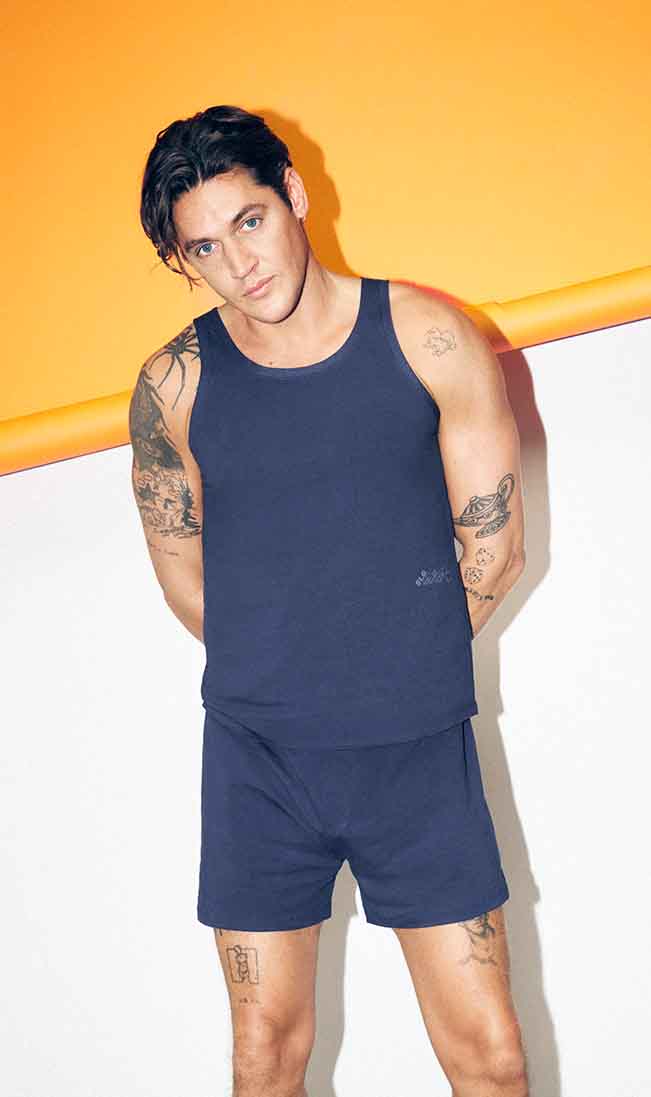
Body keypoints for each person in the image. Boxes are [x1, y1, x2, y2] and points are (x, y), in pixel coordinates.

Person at [130, 104, 529, 1096]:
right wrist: (297, 672)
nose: (241, 264)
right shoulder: (174, 386)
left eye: (251, 221)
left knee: (489, 1056)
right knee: (264, 1054)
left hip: (414, 754)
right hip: (262, 763)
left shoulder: (429, 337)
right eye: (205, 248)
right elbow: (182, 574)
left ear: (295, 195)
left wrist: (392, 658)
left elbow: (494, 543)